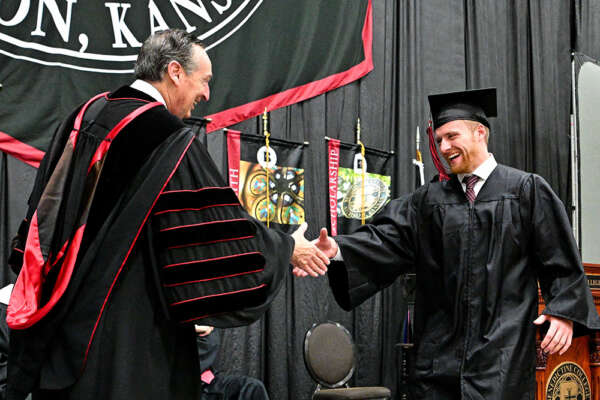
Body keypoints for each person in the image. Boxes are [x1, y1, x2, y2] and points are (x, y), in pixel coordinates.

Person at [5, 29, 328, 400]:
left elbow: (41, 218)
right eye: (203, 80)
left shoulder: (85, 114)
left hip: (60, 338)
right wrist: (286, 248)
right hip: (129, 346)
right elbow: (215, 236)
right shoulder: (168, 139)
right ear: (175, 72)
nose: (206, 94)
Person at [293, 88, 600, 400]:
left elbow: (560, 257)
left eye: (452, 136)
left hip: (500, 362)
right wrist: (339, 249)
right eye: (439, 140)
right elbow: (385, 239)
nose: (443, 147)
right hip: (437, 363)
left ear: (480, 133)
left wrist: (563, 311)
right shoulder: (429, 202)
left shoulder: (524, 191)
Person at [195, 325, 269, 400]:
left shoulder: (207, 324)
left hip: (208, 381)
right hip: (188, 386)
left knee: (252, 387)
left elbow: (209, 341)